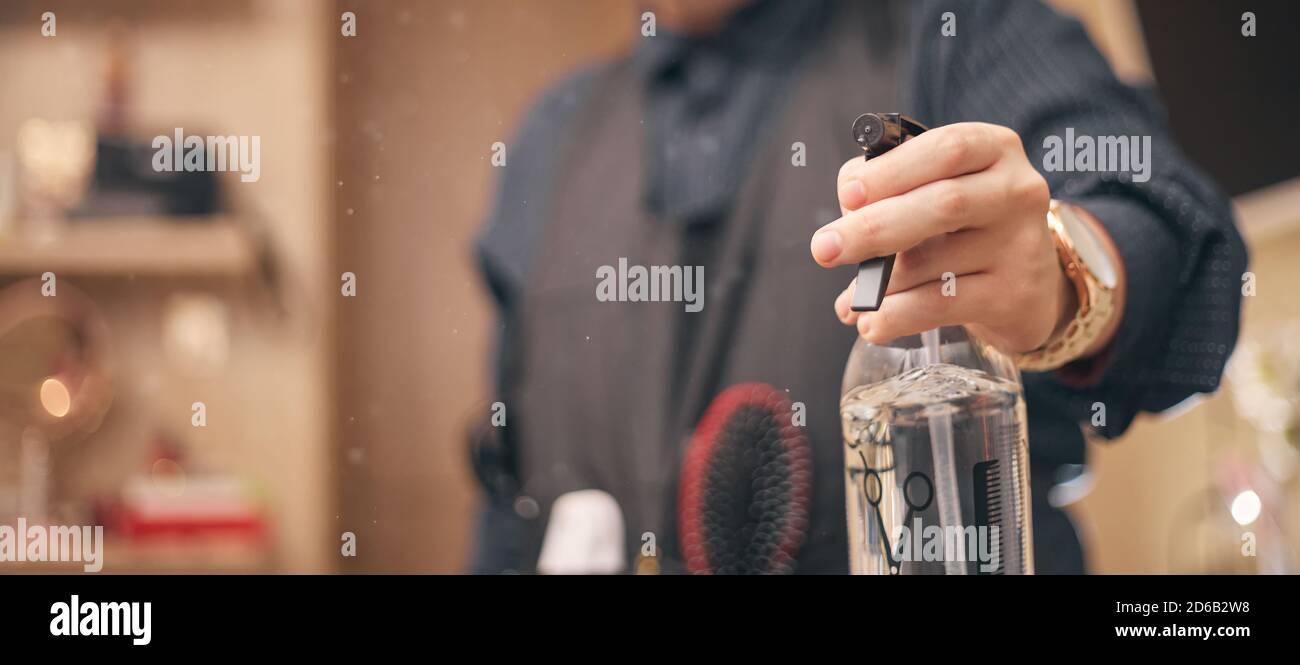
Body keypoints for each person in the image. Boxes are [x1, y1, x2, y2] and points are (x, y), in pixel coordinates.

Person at [469, 0, 1247, 574]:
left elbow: (1186, 255)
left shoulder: (964, 32)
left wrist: (1067, 272)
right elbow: (509, 504)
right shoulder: (548, 139)